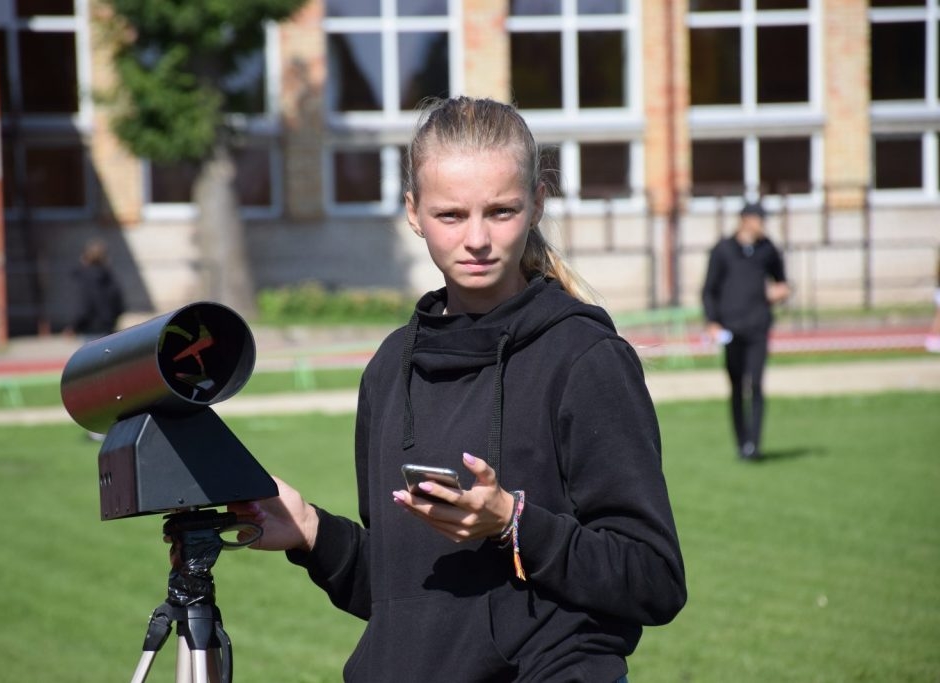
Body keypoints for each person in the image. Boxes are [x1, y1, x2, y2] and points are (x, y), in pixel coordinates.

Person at [229, 97, 686, 682]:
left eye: (501, 211)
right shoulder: (390, 368)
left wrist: (514, 524)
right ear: (414, 213)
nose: (477, 239)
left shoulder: (585, 359)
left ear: (537, 205)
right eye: (451, 215)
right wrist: (313, 533)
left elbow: (654, 579)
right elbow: (412, 600)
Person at [701, 201, 791, 461]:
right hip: (731, 329)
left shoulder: (768, 250)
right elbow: (709, 290)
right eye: (758, 218)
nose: (762, 223)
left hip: (758, 327)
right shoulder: (723, 250)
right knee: (737, 386)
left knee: (757, 384)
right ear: (745, 219)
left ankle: (754, 443)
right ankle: (741, 442)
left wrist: (781, 291)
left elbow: (781, 282)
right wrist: (712, 321)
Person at [67, 239, 125, 340]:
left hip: (90, 329)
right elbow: (119, 304)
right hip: (108, 328)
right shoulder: (108, 276)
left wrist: (74, 327)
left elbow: (83, 307)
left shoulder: (85, 278)